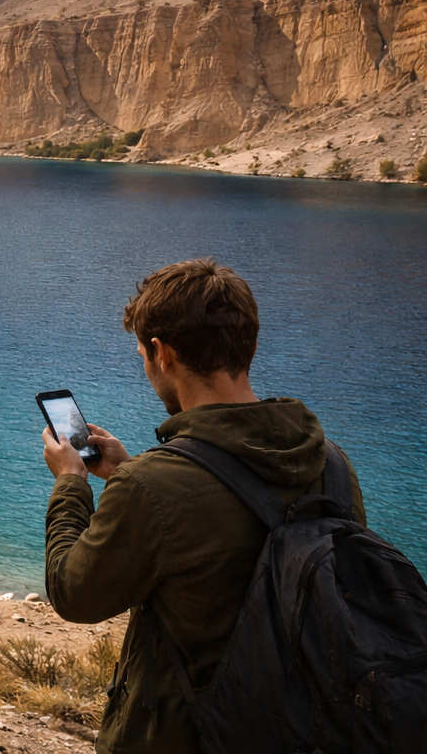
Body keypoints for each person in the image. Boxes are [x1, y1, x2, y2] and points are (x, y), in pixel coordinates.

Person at [41, 259, 367, 753]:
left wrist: (72, 482)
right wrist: (130, 473)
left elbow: (73, 591)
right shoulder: (331, 463)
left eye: (143, 356)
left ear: (162, 353)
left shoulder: (153, 488)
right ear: (250, 345)